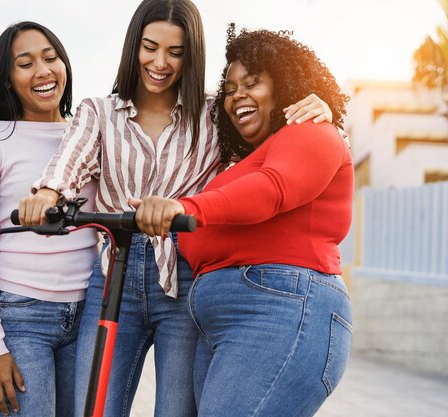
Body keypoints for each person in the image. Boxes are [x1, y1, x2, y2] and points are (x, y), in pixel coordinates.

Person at [18, 1, 334, 416]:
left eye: (176, 52)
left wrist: (323, 108)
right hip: (114, 276)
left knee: (177, 411)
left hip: (185, 281)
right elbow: (67, 165)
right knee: (92, 407)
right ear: (134, 46)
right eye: (150, 47)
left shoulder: (210, 114)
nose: (160, 62)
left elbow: (265, 148)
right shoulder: (98, 113)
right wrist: (47, 195)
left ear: (192, 56)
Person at [131, 25, 354, 417]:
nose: (238, 97)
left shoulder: (312, 133)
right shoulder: (240, 164)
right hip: (222, 326)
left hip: (278, 313)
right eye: (230, 90)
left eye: (252, 84)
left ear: (285, 87)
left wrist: (185, 209)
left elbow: (272, 189)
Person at [0, 21, 98, 417]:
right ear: (7, 79)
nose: (43, 70)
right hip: (21, 319)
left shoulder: (86, 136)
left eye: (50, 58)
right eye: (25, 63)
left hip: (87, 316)